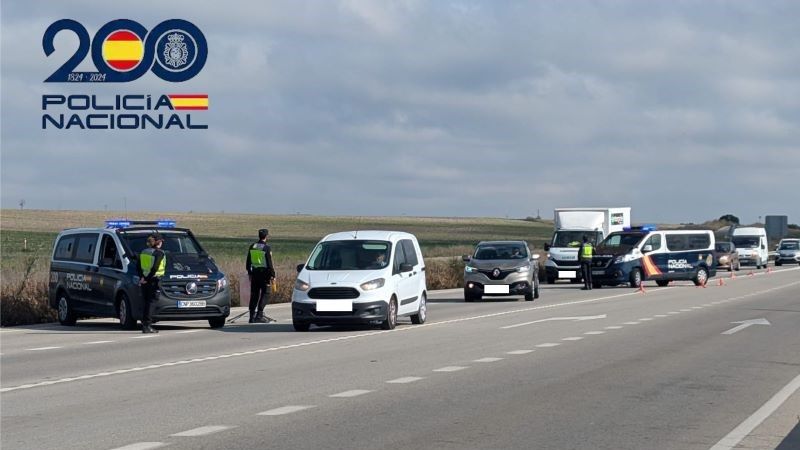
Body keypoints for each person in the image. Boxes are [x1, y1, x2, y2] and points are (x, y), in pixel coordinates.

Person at [246, 228, 276, 323]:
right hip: (264, 274)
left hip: (255, 274)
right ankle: (259, 315)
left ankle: (251, 316)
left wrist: (250, 273)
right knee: (265, 294)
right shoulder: (266, 248)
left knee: (254, 294)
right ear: (266, 236)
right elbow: (269, 263)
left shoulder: (253, 246)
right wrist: (273, 275)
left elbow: (248, 262)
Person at [138, 233, 166, 333]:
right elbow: (155, 268)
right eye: (161, 241)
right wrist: (148, 278)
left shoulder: (144, 252)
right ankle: (147, 325)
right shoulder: (159, 253)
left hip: (144, 280)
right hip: (154, 280)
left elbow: (138, 266)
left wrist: (142, 277)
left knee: (146, 302)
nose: (162, 243)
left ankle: (145, 324)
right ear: (158, 243)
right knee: (152, 302)